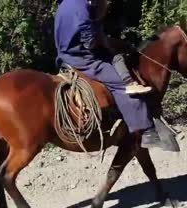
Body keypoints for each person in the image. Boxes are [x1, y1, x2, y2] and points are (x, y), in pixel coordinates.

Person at [54, 0, 169, 149]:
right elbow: (90, 42)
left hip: (65, 56)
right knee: (121, 84)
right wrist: (106, 42)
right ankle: (146, 131)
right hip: (83, 58)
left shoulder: (65, 4)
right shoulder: (81, 7)